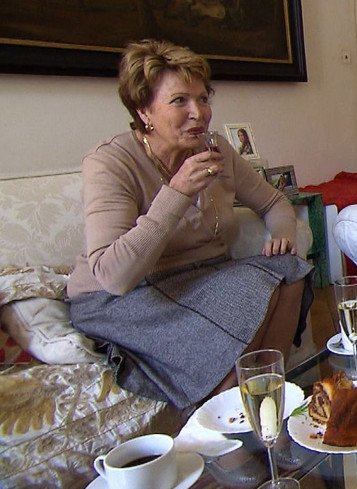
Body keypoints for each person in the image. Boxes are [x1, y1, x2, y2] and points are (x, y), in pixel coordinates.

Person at [68, 39, 313, 410]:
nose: (198, 113)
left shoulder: (216, 149)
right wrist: (177, 193)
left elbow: (274, 201)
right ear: (144, 111)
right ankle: (225, 419)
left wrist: (283, 235)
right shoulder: (111, 162)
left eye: (203, 98)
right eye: (179, 101)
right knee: (248, 298)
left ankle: (268, 400)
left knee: (290, 272)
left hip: (196, 279)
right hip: (124, 296)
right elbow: (114, 276)